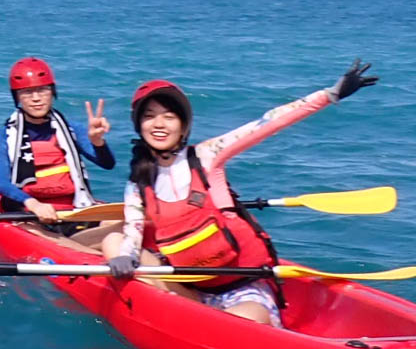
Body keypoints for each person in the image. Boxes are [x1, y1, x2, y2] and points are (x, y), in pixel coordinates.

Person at [100, 60, 380, 326]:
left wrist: (329, 95)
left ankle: (211, 325)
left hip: (244, 290)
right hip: (189, 290)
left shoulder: (207, 157)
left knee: (240, 320)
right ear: (139, 125)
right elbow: (134, 231)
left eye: (168, 117)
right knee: (114, 241)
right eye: (149, 117)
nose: (159, 124)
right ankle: (190, 318)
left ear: (183, 125)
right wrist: (125, 258)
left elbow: (268, 123)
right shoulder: (138, 183)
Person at [0, 56, 116, 228]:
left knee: (117, 226)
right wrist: (33, 204)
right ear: (17, 97)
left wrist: (97, 141)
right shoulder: (4, 136)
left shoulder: (71, 129)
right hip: (29, 214)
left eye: (42, 90)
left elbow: (108, 164)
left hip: (73, 211)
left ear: (52, 92)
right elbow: (0, 182)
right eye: (27, 92)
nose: (36, 98)